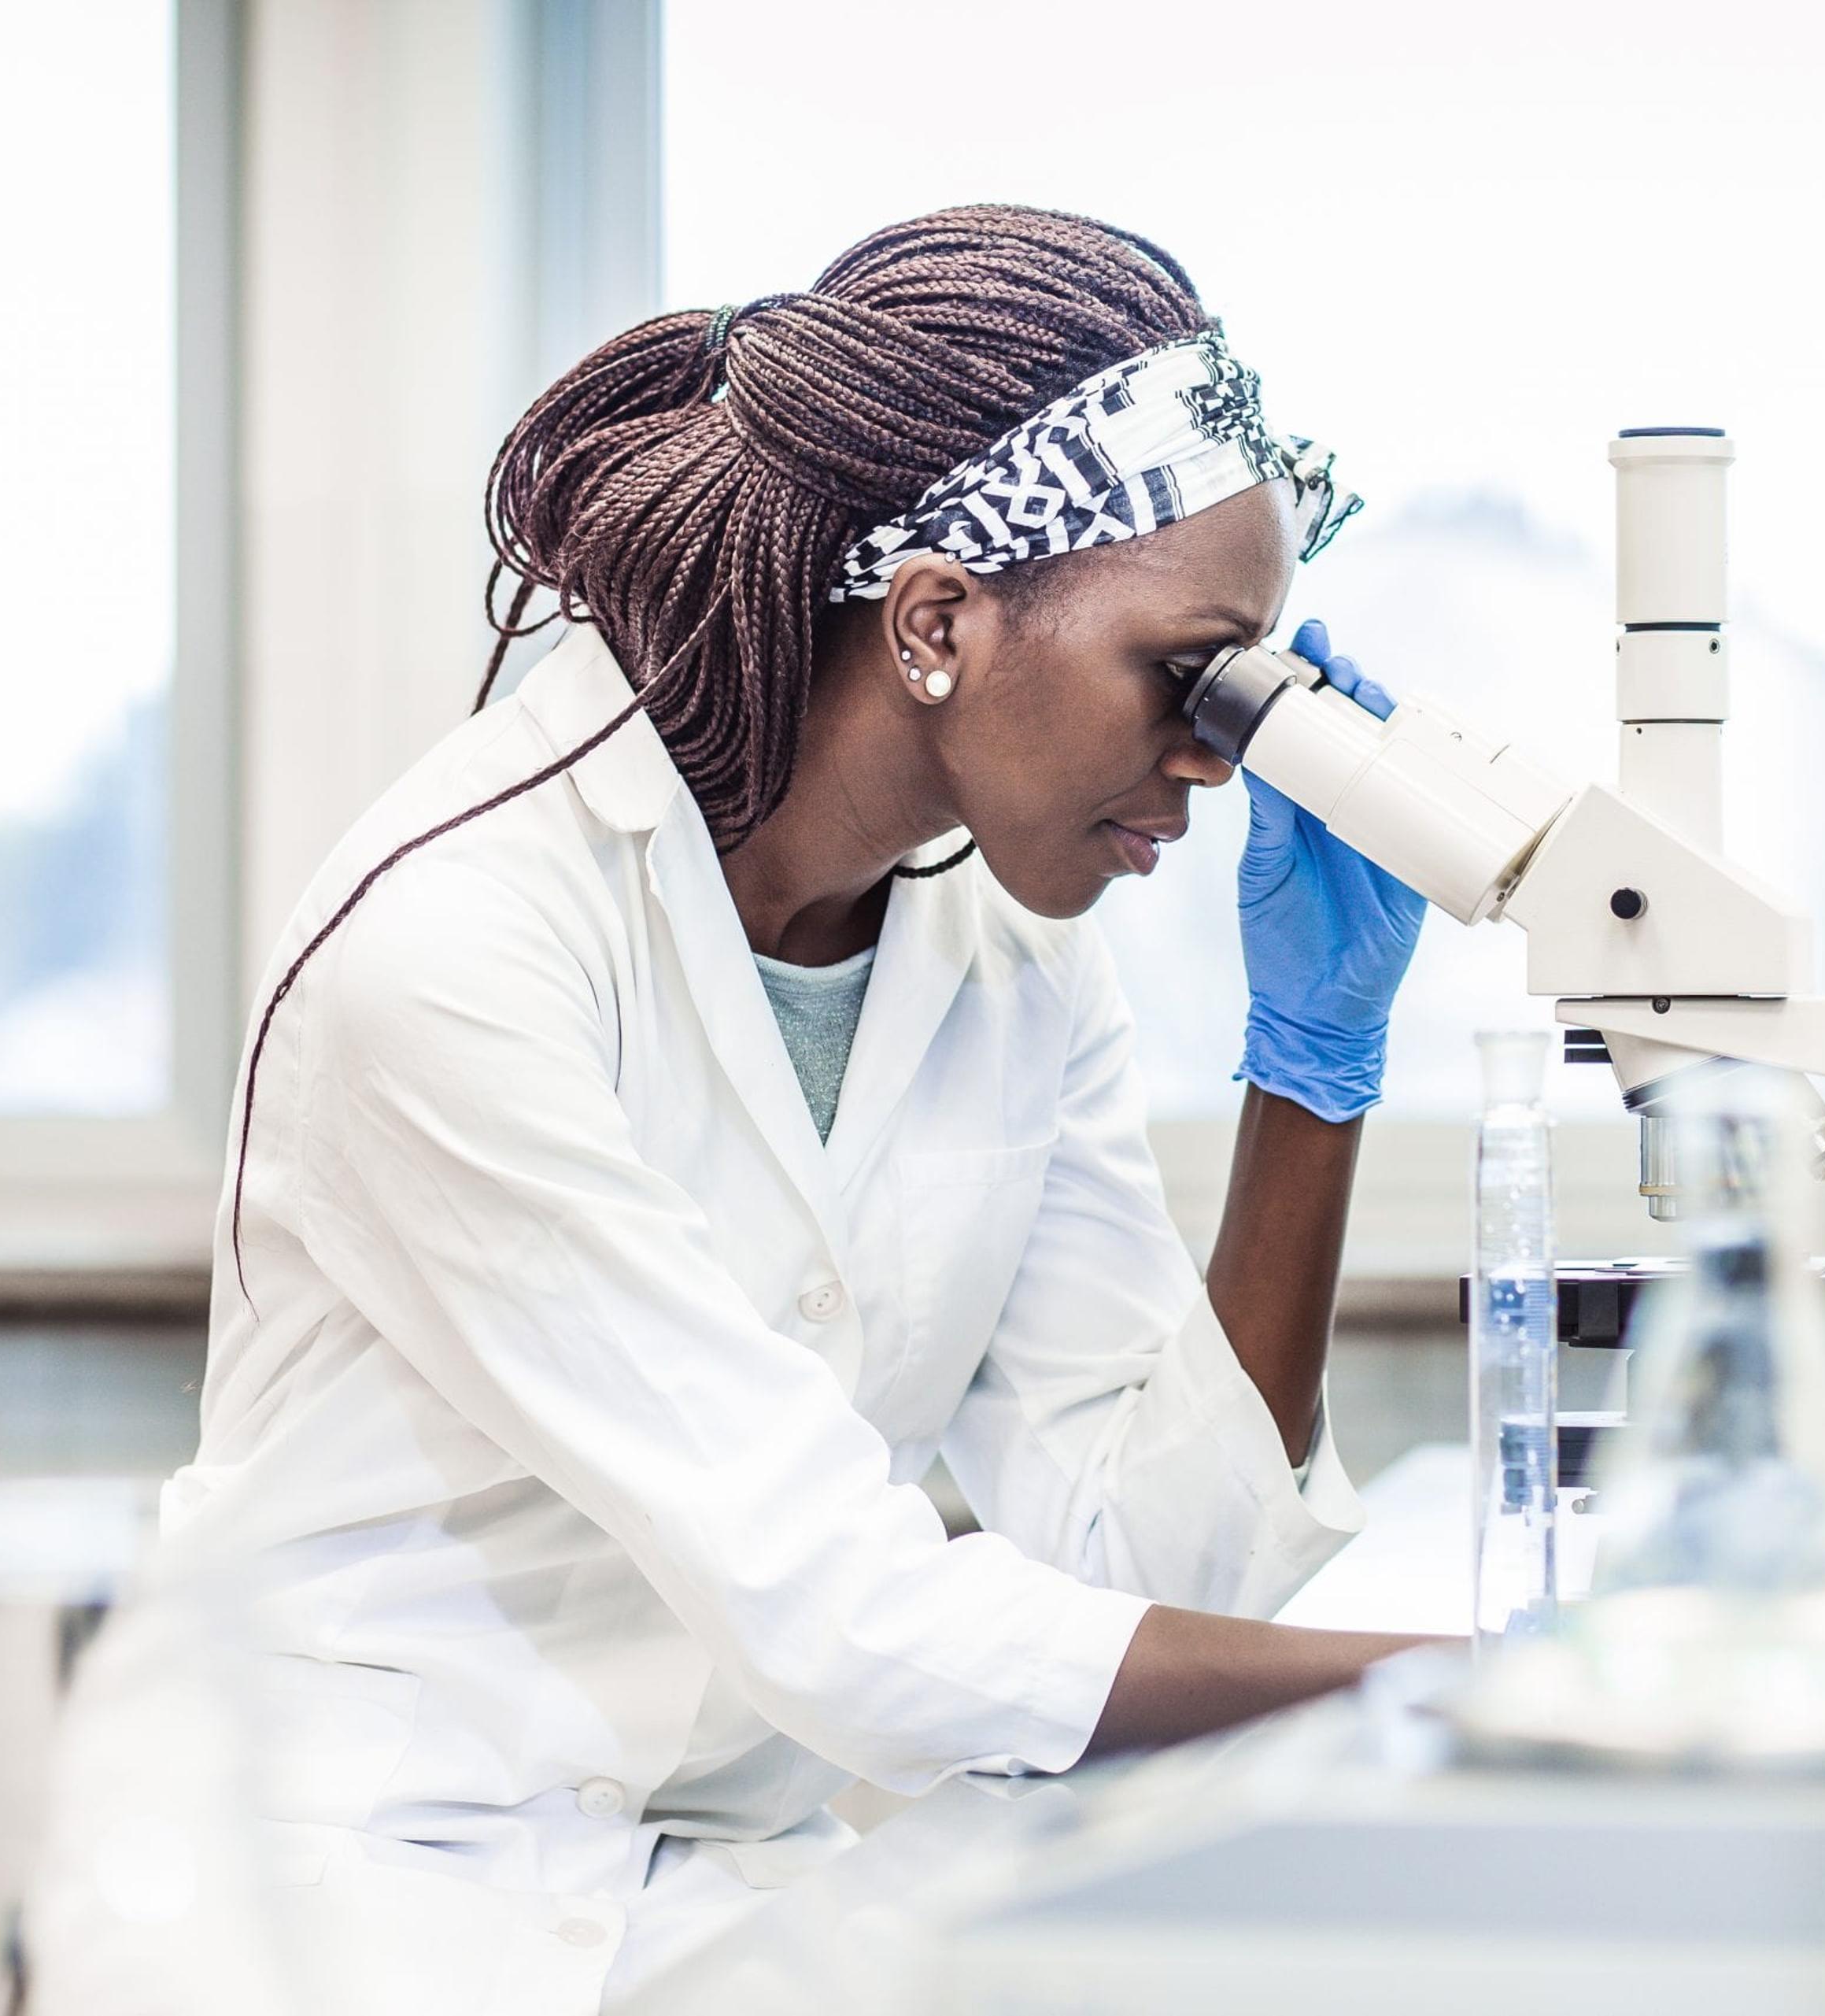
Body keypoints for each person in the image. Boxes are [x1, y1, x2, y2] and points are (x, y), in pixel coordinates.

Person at [160, 205, 1435, 2012]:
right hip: (351, 1894)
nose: (1221, 757)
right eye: (1186, 672)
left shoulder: (1006, 941)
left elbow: (1135, 1565)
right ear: (936, 623)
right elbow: (847, 1618)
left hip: (723, 1884)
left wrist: (1309, 1088)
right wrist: (1478, 1688)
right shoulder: (456, 945)